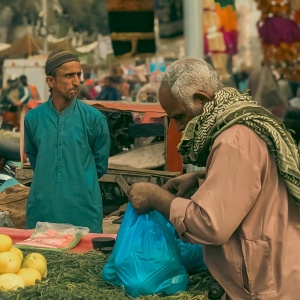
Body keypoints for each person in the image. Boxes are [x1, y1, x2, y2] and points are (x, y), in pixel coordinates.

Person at [128, 58, 300, 299]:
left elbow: (211, 225)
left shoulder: (232, 139)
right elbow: (253, 179)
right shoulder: (242, 121)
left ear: (202, 100)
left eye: (179, 116)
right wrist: (201, 178)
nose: (176, 128)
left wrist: (156, 198)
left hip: (268, 282)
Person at [24, 49, 111, 233]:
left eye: (78, 74)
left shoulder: (94, 119)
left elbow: (100, 166)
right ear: (51, 81)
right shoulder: (33, 119)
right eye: (69, 75)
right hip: (42, 211)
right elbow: (36, 161)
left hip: (84, 211)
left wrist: (78, 180)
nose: (76, 81)